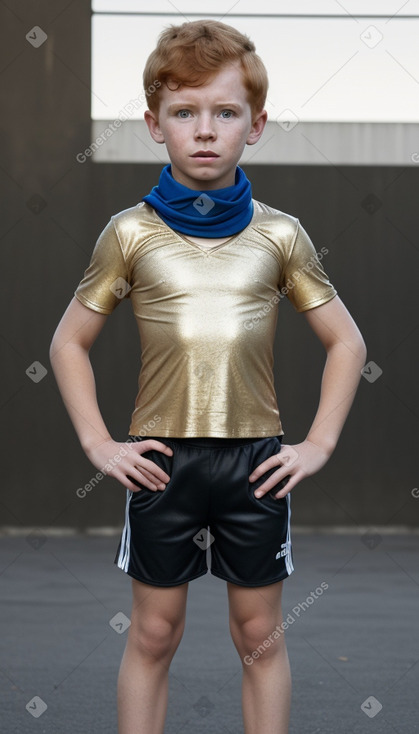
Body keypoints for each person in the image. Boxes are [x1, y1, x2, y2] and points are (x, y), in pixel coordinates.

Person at [49, 19, 367, 734]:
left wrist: (315, 446)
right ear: (153, 124)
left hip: (255, 463)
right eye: (183, 112)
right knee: (154, 634)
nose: (204, 130)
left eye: (224, 113)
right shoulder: (128, 233)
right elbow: (68, 342)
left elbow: (345, 342)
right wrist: (101, 447)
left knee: (259, 637)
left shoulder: (279, 234)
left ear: (254, 126)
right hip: (161, 463)